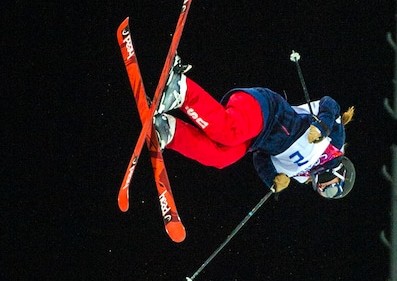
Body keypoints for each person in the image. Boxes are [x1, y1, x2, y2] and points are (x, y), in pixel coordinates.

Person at [152, 57, 356, 199]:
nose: (321, 189)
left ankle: (169, 131)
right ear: (340, 175)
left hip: (256, 138)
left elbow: (261, 158)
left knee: (222, 158)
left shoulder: (301, 176)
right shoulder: (335, 145)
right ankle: (181, 89)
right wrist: (322, 127)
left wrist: (272, 179)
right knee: (230, 133)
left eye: (324, 194)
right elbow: (330, 104)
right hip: (269, 110)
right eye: (329, 190)